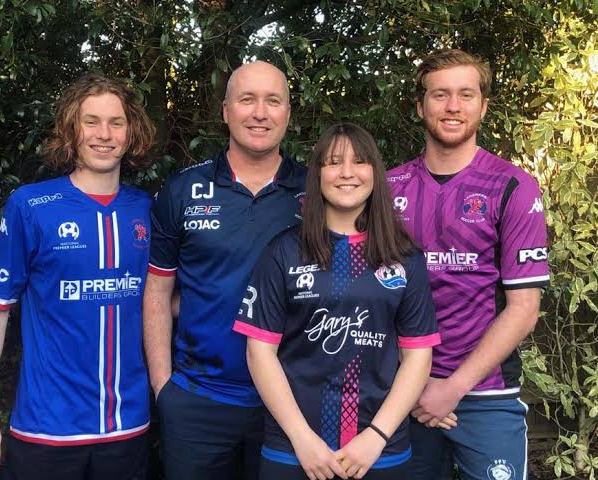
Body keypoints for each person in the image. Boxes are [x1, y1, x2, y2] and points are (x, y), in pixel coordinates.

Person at [0, 74, 156, 480]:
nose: (104, 134)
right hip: (45, 429)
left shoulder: (146, 209)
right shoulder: (32, 205)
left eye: (116, 122)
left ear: (131, 132)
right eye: (91, 121)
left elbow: (161, 300)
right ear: (71, 128)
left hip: (127, 428)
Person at [234, 123, 440, 480]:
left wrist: (375, 437)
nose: (347, 172)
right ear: (317, 174)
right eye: (333, 162)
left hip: (379, 453)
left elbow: (418, 357)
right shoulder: (283, 251)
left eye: (359, 161)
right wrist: (302, 438)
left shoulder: (405, 258)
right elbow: (260, 352)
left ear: (375, 172)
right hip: (293, 451)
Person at [386, 49, 550, 480]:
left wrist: (452, 388)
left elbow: (524, 309)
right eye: (440, 95)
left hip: (486, 394)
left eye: (466, 94)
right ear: (420, 106)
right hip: (404, 392)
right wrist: (416, 383)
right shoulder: (388, 188)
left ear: (484, 106)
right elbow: (373, 296)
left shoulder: (513, 186)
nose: (453, 106)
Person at [144, 60, 307, 480]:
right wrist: (164, 389)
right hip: (198, 399)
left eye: (273, 101)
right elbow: (158, 291)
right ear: (225, 110)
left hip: (293, 402)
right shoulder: (182, 190)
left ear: (288, 112)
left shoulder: (317, 192)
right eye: (247, 99)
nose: (260, 113)